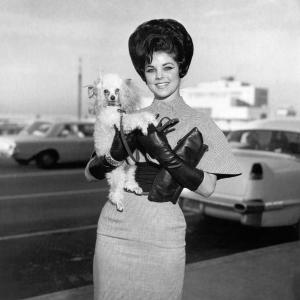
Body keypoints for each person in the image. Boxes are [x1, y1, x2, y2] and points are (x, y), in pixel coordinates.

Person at [85, 19, 241, 300]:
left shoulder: (201, 123)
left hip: (162, 233)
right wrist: (118, 152)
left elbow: (207, 188)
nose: (159, 76)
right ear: (143, 74)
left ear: (182, 67)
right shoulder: (128, 115)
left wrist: (163, 153)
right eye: (150, 69)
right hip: (114, 231)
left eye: (167, 67)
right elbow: (90, 172)